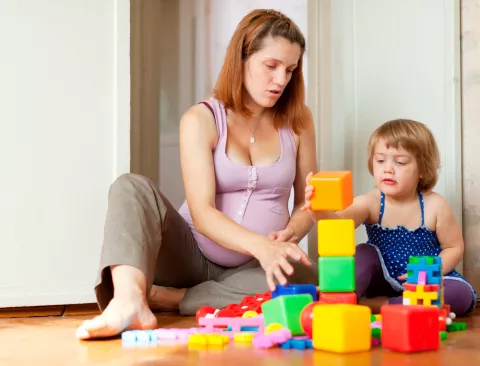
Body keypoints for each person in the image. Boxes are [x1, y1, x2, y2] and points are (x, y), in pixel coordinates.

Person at [76, 9, 319, 340]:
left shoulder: (298, 121)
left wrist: (292, 231)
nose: (281, 80)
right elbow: (203, 214)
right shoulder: (200, 119)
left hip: (254, 269)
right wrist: (260, 245)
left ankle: (170, 298)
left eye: (290, 70)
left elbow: (309, 201)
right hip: (190, 256)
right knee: (130, 186)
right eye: (271, 66)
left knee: (308, 283)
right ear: (242, 57)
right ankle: (129, 300)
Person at [303, 119, 477, 316]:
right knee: (363, 252)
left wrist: (430, 274)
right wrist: (317, 209)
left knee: (461, 295)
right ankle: (339, 297)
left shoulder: (435, 205)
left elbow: (454, 247)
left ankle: (380, 305)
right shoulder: (372, 202)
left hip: (422, 286)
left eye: (400, 162)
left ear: (422, 169)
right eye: (380, 160)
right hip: (381, 279)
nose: (388, 169)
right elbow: (337, 223)